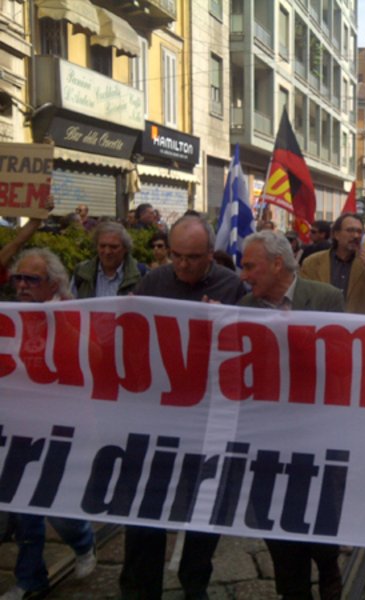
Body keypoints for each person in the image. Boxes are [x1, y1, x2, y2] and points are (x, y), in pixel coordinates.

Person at [119, 215, 247, 600]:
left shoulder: (232, 287)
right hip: (157, 417)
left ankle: (195, 582)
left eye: (192, 257)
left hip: (209, 420)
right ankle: (140, 589)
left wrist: (227, 324)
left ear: (210, 254)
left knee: (205, 507)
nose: (182, 264)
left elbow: (252, 350)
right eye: (176, 255)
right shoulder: (153, 283)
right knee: (145, 507)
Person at [237, 230, 344, 598]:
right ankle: (292, 587)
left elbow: (340, 362)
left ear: (277, 264)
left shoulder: (326, 299)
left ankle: (329, 570)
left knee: (320, 514)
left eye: (250, 266)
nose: (244, 275)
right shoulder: (243, 307)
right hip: (265, 437)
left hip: (314, 434)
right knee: (273, 518)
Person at [1, 249, 97, 600]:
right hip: (18, 427)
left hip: (61, 427)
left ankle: (83, 541)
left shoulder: (72, 315)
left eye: (32, 279)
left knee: (58, 511)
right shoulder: (10, 316)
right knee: (23, 506)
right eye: (18, 279)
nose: (22, 286)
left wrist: (64, 323)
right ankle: (30, 579)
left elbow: (96, 357)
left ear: (53, 284)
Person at [300, 212, 365, 314]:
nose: (356, 236)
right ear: (336, 234)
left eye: (359, 231)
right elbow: (302, 300)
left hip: (355, 324)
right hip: (322, 322)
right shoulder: (312, 263)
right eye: (350, 230)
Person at [72, 222, 144, 298]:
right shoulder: (81, 273)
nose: (107, 252)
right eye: (102, 246)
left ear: (125, 248)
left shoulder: (141, 275)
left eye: (114, 247)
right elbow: (72, 302)